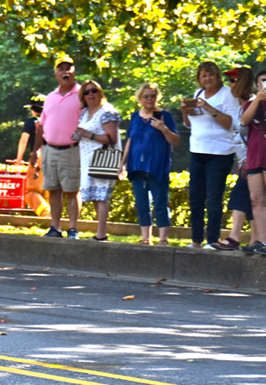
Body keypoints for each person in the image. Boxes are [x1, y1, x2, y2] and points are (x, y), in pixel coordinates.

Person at [182, 61, 240, 248]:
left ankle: (213, 240)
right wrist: (185, 111)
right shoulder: (197, 94)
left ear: (217, 77)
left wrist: (209, 108)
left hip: (220, 152)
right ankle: (196, 239)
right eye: (203, 75)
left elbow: (231, 123)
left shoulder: (227, 95)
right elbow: (190, 124)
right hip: (197, 150)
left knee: (214, 197)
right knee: (195, 197)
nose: (207, 79)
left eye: (210, 75)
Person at [120, 83, 180, 246]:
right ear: (140, 98)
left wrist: (164, 129)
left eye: (152, 96)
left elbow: (175, 141)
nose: (149, 99)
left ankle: (163, 238)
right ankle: (146, 237)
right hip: (137, 167)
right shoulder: (135, 117)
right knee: (141, 202)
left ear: (157, 97)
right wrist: (122, 163)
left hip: (157, 166)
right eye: (146, 96)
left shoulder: (165, 116)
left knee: (160, 201)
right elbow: (130, 140)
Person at [34, 56, 82, 238]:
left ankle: (72, 229)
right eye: (61, 69)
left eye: (68, 68)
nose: (65, 72)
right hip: (49, 150)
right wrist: (34, 152)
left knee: (72, 190)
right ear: (55, 74)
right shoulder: (50, 97)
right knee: (53, 189)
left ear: (74, 71)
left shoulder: (82, 95)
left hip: (72, 150)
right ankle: (55, 228)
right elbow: (41, 127)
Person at [239, 70, 266, 254]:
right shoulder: (251, 104)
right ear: (257, 86)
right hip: (254, 157)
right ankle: (262, 241)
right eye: (263, 83)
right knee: (256, 200)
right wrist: (257, 100)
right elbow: (244, 121)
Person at [210, 68, 254, 251]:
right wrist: (240, 161)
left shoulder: (253, 104)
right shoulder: (239, 105)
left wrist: (248, 160)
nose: (229, 84)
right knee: (251, 200)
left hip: (254, 161)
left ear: (243, 82)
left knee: (239, 195)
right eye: (228, 80)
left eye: (233, 80)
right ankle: (257, 240)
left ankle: (234, 238)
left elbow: (254, 137)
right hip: (245, 161)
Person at [75, 80, 121, 241]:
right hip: (87, 159)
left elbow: (112, 138)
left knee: (102, 196)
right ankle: (99, 232)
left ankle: (101, 234)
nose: (90, 94)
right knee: (94, 195)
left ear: (100, 92)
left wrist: (89, 135)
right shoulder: (85, 112)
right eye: (86, 92)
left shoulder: (107, 111)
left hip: (102, 159)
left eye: (93, 90)